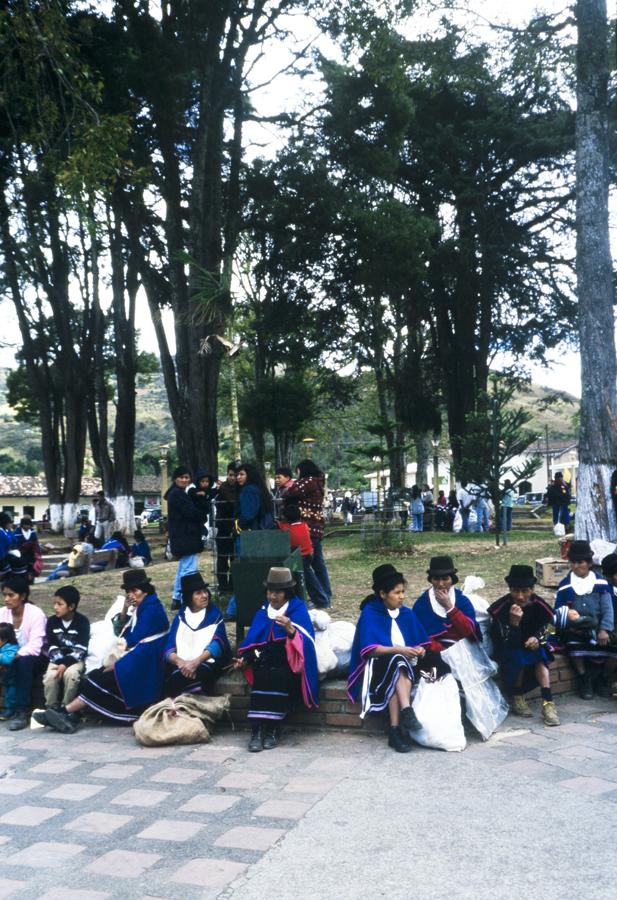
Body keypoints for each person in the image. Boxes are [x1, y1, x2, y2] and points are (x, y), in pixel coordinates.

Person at [42, 570, 169, 733]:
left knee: (101, 678)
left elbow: (134, 639)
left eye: (135, 590)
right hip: (138, 656)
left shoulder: (152, 610)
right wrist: (125, 608)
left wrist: (119, 664)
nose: (131, 595)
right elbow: (121, 629)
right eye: (128, 591)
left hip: (146, 661)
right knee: (97, 676)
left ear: (145, 589)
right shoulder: (140, 607)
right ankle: (69, 714)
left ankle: (66, 713)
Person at [348, 564, 434, 753]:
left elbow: (421, 643)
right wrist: (398, 649)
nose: (402, 596)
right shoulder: (371, 613)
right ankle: (406, 712)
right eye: (397, 593)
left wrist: (419, 649)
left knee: (398, 667)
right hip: (377, 666)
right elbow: (369, 650)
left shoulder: (407, 613)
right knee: (396, 660)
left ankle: (395, 730)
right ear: (382, 594)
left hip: (406, 669)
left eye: (403, 591)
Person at [234, 567, 318, 752]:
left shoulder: (297, 610)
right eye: (270, 591)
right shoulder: (263, 613)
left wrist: (291, 630)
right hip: (264, 656)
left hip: (288, 658)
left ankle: (272, 729)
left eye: (278, 592)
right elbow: (256, 647)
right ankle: (256, 730)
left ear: (287, 593)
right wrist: (246, 659)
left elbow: (307, 642)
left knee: (278, 675)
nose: (273, 596)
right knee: (262, 672)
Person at [488, 565, 559, 726]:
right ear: (510, 590)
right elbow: (505, 641)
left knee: (540, 656)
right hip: (508, 649)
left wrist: (537, 638)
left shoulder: (538, 604)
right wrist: (514, 624)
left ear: (532, 589)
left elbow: (551, 626)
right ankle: (517, 696)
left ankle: (548, 702)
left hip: (532, 646)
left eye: (525, 591)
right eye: (515, 591)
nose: (520, 596)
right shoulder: (500, 609)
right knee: (518, 656)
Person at [554, 540, 615, 699]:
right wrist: (569, 619)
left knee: (612, 646)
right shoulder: (566, 585)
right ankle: (583, 677)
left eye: (580, 562)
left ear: (588, 563)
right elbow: (558, 611)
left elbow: (607, 608)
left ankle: (602, 677)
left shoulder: (600, 582)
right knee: (573, 644)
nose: (575, 566)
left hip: (599, 627)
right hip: (576, 628)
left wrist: (604, 629)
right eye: (572, 562)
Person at [164, 572, 230, 697]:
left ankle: (197, 709)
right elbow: (169, 646)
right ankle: (178, 711)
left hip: (206, 661)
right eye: (198, 593)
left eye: (205, 591)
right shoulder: (181, 616)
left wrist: (196, 662)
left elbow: (218, 643)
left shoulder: (214, 614)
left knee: (201, 673)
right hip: (182, 663)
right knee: (174, 676)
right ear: (189, 597)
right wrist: (181, 663)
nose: (204, 596)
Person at [35, 586, 90, 719]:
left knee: (71, 675)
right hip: (56, 659)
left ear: (71, 607)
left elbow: (81, 648)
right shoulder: (52, 622)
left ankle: (67, 710)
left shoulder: (82, 622)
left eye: (60, 604)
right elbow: (51, 645)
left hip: (75, 659)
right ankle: (51, 708)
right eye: (54, 603)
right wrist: (60, 663)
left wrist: (65, 664)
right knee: (50, 676)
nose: (55, 607)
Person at [0, 574, 47, 730]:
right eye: (4, 595)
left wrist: (12, 657)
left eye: (11, 595)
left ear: (23, 596)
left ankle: (21, 711)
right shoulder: (2, 613)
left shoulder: (36, 614)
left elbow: (35, 645)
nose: (6, 599)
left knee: (23, 662)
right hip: (7, 656)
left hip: (34, 658)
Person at [285, 459, 332, 607]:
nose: (296, 474)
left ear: (302, 469)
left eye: (297, 471)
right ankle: (325, 595)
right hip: (316, 527)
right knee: (318, 563)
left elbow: (291, 491)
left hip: (308, 528)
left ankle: (321, 597)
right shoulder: (318, 481)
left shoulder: (308, 481)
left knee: (305, 564)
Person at [412, 556, 480, 655]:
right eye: (436, 579)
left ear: (452, 579)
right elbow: (419, 636)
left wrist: (449, 607)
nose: (440, 584)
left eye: (445, 579)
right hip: (435, 653)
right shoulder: (422, 604)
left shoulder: (462, 600)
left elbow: (468, 631)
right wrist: (443, 652)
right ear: (431, 580)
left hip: (464, 651)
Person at [165, 465, 207, 610]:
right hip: (186, 537)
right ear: (175, 478)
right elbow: (192, 513)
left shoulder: (175, 493)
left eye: (186, 477)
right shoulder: (178, 494)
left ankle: (177, 597)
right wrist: (202, 513)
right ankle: (186, 598)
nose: (184, 480)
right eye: (181, 477)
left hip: (181, 536)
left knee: (183, 567)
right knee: (189, 569)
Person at [277, 504, 327, 607]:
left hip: (301, 557)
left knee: (309, 580)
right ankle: (319, 599)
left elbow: (280, 526)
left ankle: (320, 600)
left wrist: (279, 521)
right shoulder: (304, 525)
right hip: (308, 554)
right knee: (308, 577)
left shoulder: (287, 529)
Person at [215, 464, 238, 592]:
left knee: (235, 559)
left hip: (237, 529)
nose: (233, 478)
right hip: (223, 528)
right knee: (222, 558)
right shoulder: (221, 489)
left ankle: (234, 585)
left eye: (235, 475)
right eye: (230, 475)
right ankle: (223, 586)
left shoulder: (242, 489)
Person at [236, 462, 274, 538]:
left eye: (242, 474)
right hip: (261, 529)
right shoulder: (258, 488)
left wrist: (238, 525)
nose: (238, 477)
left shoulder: (249, 490)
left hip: (250, 531)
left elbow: (248, 514)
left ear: (250, 475)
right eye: (237, 475)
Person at [0, 622, 19, 720]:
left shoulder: (12, 647)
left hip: (12, 677)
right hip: (4, 675)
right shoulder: (2, 646)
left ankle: (10, 710)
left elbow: (7, 659)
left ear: (5, 639)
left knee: (10, 695)